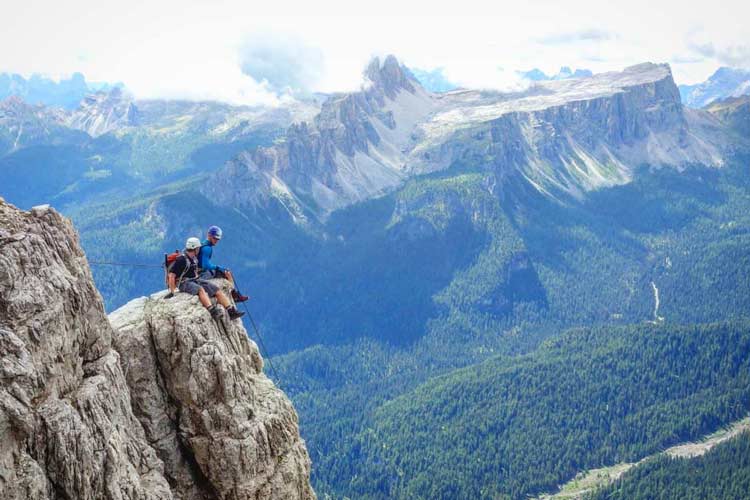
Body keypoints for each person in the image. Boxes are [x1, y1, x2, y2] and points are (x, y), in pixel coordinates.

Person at [166, 237, 245, 320]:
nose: (199, 249)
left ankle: (231, 311)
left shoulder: (193, 259)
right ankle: (212, 311)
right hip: (183, 283)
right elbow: (171, 275)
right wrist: (172, 291)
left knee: (216, 289)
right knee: (200, 289)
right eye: (198, 248)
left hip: (194, 279)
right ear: (195, 248)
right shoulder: (181, 260)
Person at [199, 225, 249, 302]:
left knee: (225, 272)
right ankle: (235, 295)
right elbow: (205, 265)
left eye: (217, 239)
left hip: (199, 271)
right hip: (202, 273)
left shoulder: (203, 244)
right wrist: (217, 267)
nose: (216, 241)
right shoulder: (207, 248)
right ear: (209, 235)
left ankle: (235, 295)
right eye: (215, 238)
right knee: (227, 273)